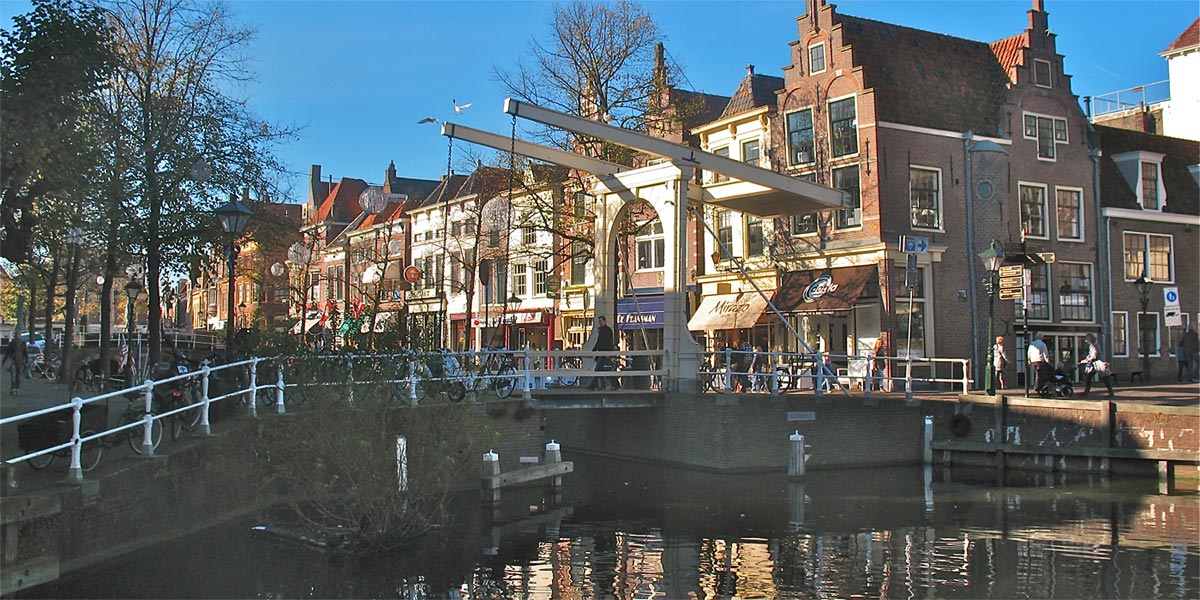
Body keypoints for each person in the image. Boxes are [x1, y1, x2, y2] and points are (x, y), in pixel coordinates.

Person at [1079, 333, 1115, 397]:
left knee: (1089, 377)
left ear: (1089, 340)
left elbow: (1094, 356)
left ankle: (1086, 392)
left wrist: (1086, 360)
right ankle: (1111, 393)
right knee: (1103, 378)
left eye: (1086, 339)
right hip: (1098, 364)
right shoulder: (1096, 344)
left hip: (1098, 364)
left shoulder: (1093, 346)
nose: (1085, 341)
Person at [587, 316, 618, 391]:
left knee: (602, 370)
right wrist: (593, 351)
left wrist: (608, 353)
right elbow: (599, 342)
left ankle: (595, 386)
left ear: (604, 321)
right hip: (602, 353)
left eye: (601, 321)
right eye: (599, 321)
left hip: (605, 353)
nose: (600, 323)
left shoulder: (607, 330)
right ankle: (596, 385)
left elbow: (609, 342)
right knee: (601, 370)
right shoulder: (602, 330)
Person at [3, 331, 29, 396]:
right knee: (13, 376)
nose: (18, 336)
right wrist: (4, 361)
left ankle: (17, 389)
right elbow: (8, 352)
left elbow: (25, 353)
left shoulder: (23, 343)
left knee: (18, 376)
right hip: (13, 361)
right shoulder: (12, 343)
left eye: (19, 335)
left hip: (20, 362)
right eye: (17, 335)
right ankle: (13, 389)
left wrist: (26, 361)